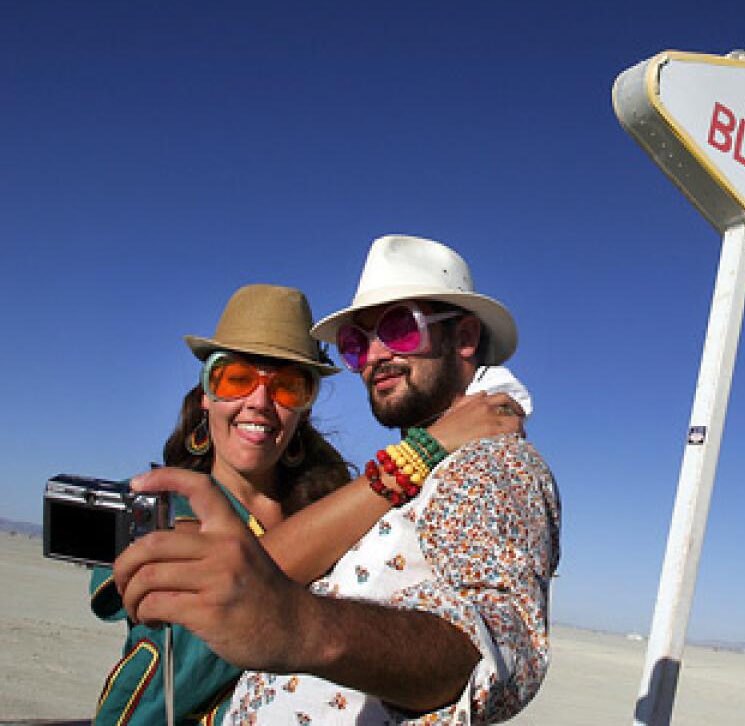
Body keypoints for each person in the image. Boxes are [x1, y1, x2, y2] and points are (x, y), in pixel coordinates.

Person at [113, 236, 560, 725]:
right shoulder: (164, 500)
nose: (371, 356)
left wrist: (298, 627)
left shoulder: (488, 465)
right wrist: (423, 449)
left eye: (399, 329)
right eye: (355, 342)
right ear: (204, 393)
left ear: (467, 337)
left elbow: (499, 653)